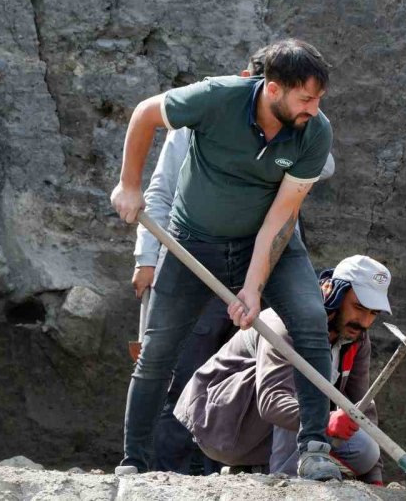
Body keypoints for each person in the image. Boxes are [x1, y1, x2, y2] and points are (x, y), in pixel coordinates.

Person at [110, 38, 340, 480]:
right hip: (193, 244)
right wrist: (128, 184)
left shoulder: (314, 131)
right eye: (306, 98)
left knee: (310, 320)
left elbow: (281, 216)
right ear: (272, 88)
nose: (314, 108)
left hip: (271, 245)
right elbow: (145, 114)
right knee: (158, 351)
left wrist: (253, 289)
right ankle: (134, 461)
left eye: (319, 99)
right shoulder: (215, 98)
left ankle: (314, 447)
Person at [174, 255, 392, 485]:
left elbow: (361, 407)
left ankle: (257, 469)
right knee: (304, 385)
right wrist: (324, 420)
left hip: (275, 429)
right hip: (220, 422)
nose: (365, 321)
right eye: (358, 307)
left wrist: (374, 478)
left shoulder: (356, 337)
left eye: (373, 313)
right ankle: (287, 484)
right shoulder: (288, 324)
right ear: (336, 295)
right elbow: (272, 401)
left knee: (365, 451)